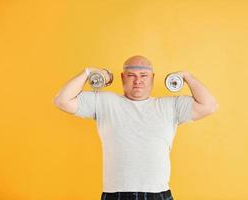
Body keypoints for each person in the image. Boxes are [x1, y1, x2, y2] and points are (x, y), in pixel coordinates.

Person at [53, 55, 219, 200]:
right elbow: (62, 100)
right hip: (116, 194)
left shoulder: (170, 106)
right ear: (122, 77)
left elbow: (209, 105)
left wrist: (186, 76)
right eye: (131, 75)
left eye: (144, 75)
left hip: (158, 193)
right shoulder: (104, 102)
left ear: (152, 78)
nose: (138, 80)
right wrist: (88, 73)